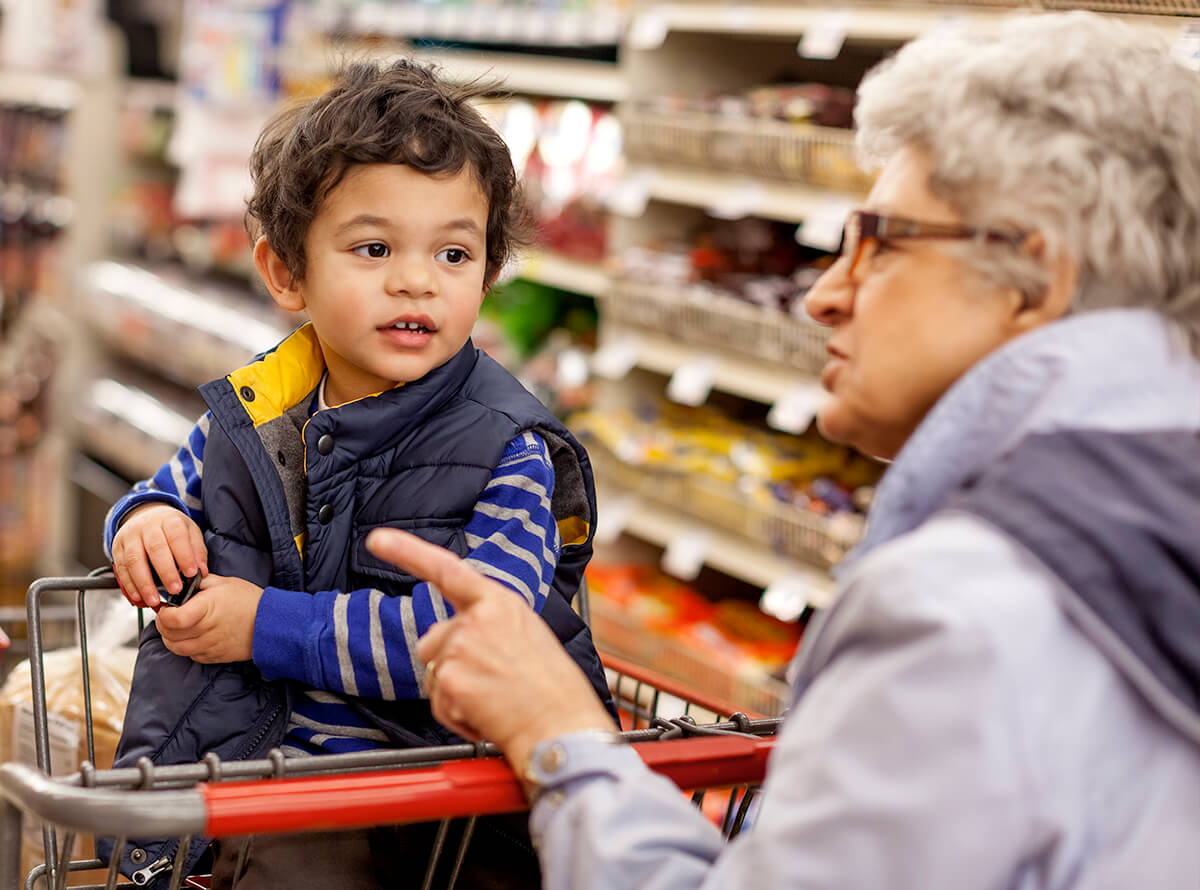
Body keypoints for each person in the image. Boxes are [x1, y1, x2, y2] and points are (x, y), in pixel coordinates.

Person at [367, 12, 1200, 889]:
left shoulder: (965, 610)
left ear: (1036, 276)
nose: (825, 297)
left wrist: (554, 728)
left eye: (877, 243)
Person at [98, 59, 616, 889]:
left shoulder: (508, 452)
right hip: (237, 780)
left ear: (487, 274)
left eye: (454, 252)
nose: (415, 279)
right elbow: (170, 488)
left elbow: (474, 642)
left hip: (408, 820)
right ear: (285, 272)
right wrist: (145, 522)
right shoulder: (260, 409)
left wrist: (266, 624)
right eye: (374, 247)